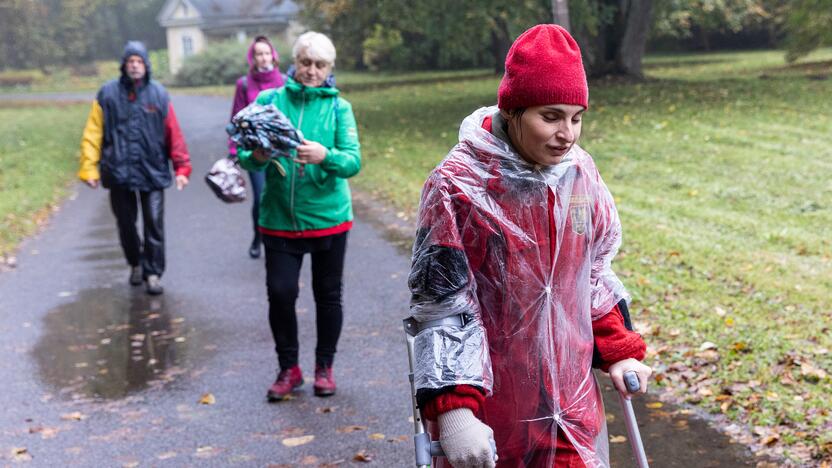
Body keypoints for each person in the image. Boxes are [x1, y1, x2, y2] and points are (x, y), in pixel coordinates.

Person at [407, 25, 651, 468]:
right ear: (514, 109)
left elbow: (590, 276)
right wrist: (455, 409)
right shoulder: (458, 186)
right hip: (492, 406)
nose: (568, 134)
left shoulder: (579, 176)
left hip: (569, 403)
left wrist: (619, 350)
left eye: (577, 117)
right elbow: (442, 304)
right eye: (551, 116)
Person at [237, 31, 361, 400]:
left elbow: (353, 161)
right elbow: (245, 153)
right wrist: (257, 157)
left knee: (328, 295)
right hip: (279, 217)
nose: (311, 70)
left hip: (328, 217)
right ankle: (288, 368)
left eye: (319, 65)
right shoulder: (269, 100)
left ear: (329, 69)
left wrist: (327, 156)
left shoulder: (341, 108)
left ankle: (325, 366)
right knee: (280, 293)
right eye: (305, 62)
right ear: (293, 63)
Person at [78, 41, 191, 296]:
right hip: (118, 172)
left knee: (154, 225)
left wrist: (182, 168)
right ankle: (136, 262)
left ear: (146, 65)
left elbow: (174, 133)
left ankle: (153, 273)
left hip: (152, 171)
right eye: (131, 61)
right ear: (124, 65)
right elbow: (92, 134)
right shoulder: (107, 94)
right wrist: (89, 169)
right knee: (126, 224)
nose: (135, 66)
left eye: (139, 61)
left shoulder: (159, 95)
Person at [229, 35, 285, 259]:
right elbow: (236, 117)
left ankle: (280, 236)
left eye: (266, 53)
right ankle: (258, 236)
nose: (262, 58)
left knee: (280, 194)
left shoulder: (283, 81)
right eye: (258, 54)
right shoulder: (244, 84)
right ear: (252, 58)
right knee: (261, 196)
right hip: (255, 150)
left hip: (281, 149)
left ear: (273, 55)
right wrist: (234, 150)